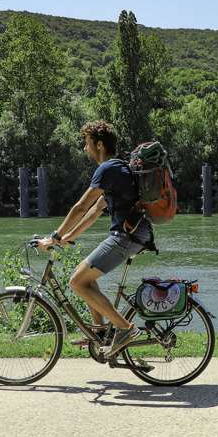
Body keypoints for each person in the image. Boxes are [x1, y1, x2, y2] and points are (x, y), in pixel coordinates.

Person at [38, 119, 153, 358]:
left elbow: (81, 207)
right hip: (131, 234)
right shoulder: (116, 168)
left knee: (77, 282)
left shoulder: (108, 169)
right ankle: (101, 332)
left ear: (99, 145)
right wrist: (68, 236)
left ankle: (125, 328)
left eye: (87, 143)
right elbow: (95, 211)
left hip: (126, 235)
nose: (84, 148)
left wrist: (54, 236)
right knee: (85, 276)